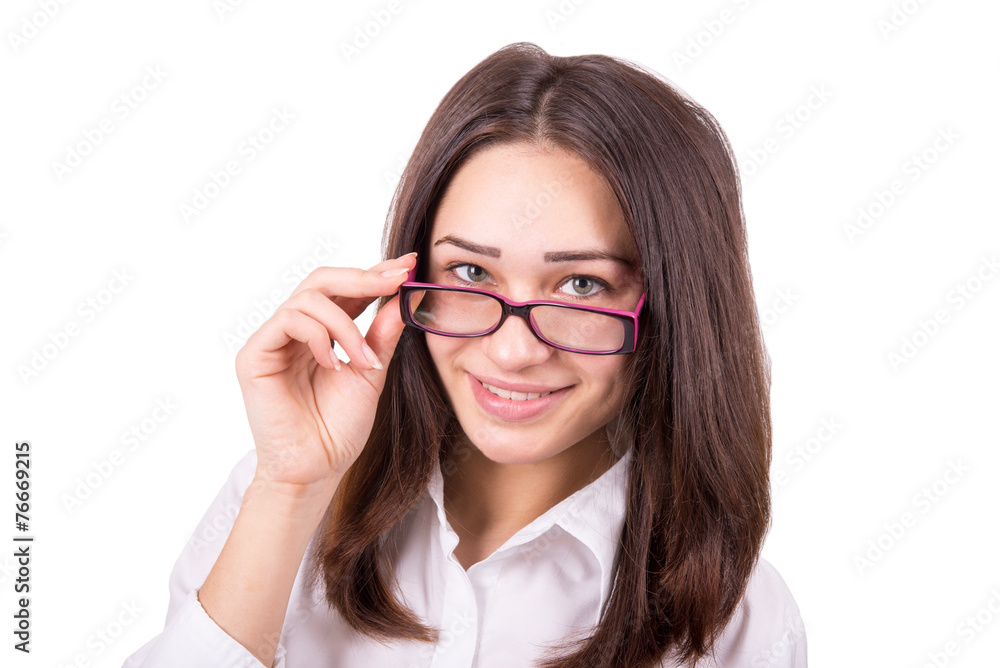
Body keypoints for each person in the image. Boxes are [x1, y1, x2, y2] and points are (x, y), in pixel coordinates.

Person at [124, 42, 806, 667]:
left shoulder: (738, 623)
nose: (512, 351)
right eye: (473, 275)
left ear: (670, 311)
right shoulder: (283, 499)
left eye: (581, 285)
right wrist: (290, 489)